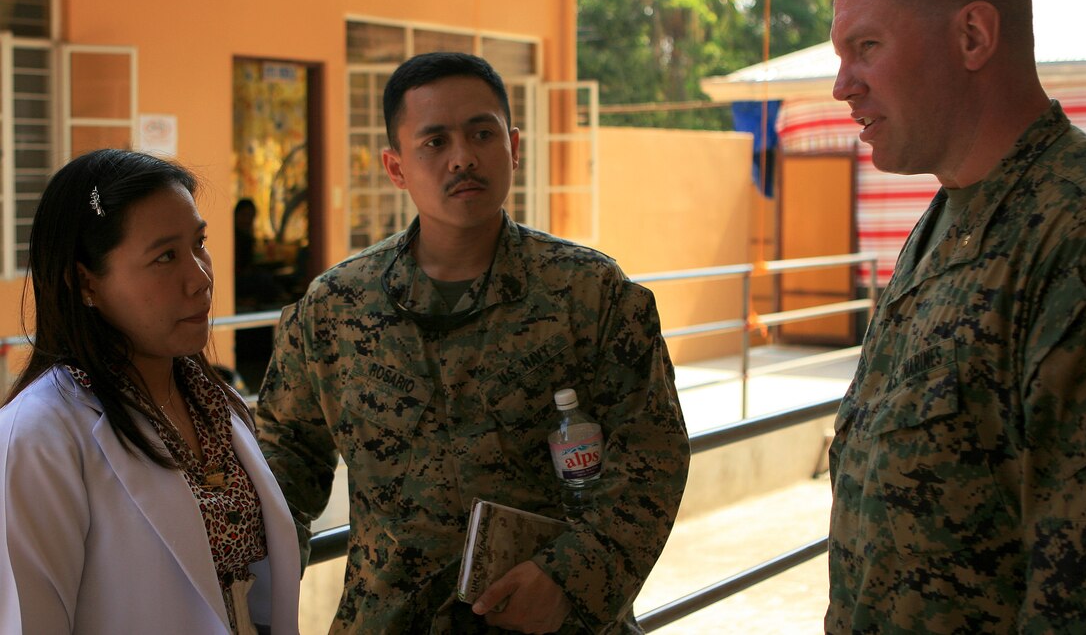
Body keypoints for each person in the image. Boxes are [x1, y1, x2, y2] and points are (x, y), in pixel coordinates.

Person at [256, 52, 690, 633]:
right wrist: (254, 603)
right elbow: (283, 470)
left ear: (512, 145)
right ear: (396, 166)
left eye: (481, 133)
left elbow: (651, 457)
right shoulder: (335, 308)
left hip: (549, 620)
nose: (463, 157)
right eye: (434, 142)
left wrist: (569, 578)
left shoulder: (590, 295)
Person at [827, 0, 1086, 631]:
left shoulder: (1069, 232)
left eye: (867, 47)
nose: (841, 85)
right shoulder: (948, 217)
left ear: (973, 36)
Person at [0, 149, 301, 634]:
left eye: (199, 244)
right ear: (85, 282)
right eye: (164, 257)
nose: (200, 278)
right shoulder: (39, 437)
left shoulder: (212, 401)